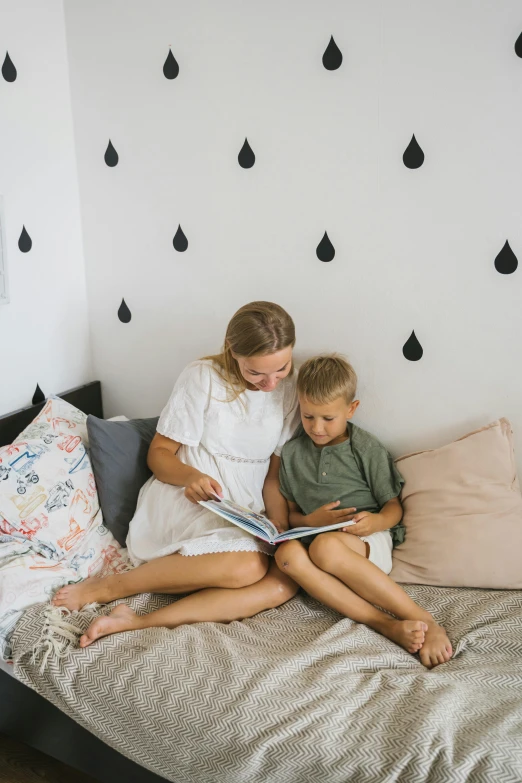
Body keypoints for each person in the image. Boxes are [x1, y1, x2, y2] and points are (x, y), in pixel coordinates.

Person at [52, 302, 301, 645]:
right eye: (256, 373)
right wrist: (190, 477)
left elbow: (273, 477)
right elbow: (160, 454)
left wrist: (279, 526)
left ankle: (139, 622)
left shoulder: (290, 390)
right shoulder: (202, 377)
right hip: (191, 498)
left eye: (281, 368)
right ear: (232, 349)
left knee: (283, 581)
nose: (271, 383)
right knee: (248, 567)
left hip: (247, 510)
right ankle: (109, 587)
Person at [274, 355, 453, 669]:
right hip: (314, 538)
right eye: (308, 416)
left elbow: (393, 506)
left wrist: (377, 522)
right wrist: (308, 521)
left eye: (328, 418)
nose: (316, 428)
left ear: (351, 409)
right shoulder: (291, 453)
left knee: (326, 547)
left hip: (366, 541)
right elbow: (290, 515)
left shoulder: (365, 449)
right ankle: (385, 624)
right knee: (286, 556)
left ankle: (425, 620)